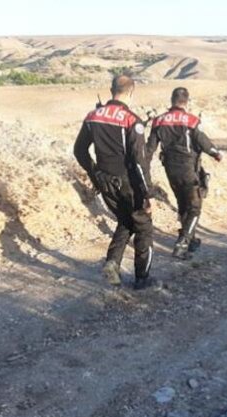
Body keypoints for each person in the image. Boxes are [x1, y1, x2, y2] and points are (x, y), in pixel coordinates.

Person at [74, 75, 159, 290]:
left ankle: (112, 263)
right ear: (131, 92)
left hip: (104, 181)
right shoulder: (131, 120)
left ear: (111, 90)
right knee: (143, 225)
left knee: (126, 220)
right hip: (128, 181)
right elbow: (139, 162)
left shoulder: (93, 116)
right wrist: (148, 194)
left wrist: (95, 174)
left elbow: (79, 151)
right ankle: (142, 279)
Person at [147, 87, 222, 259]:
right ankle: (182, 243)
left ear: (172, 100)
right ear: (186, 101)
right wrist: (216, 153)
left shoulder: (159, 121)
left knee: (182, 203)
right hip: (188, 168)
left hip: (170, 170)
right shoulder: (191, 120)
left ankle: (192, 239)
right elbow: (202, 140)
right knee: (195, 207)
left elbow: (149, 149)